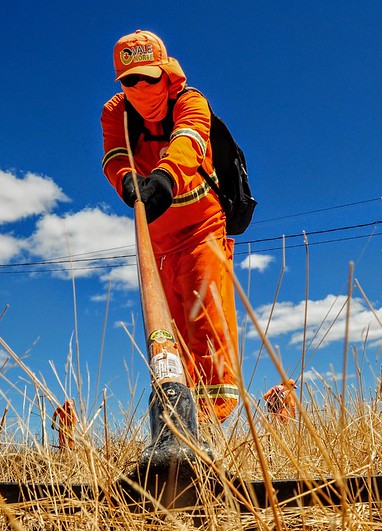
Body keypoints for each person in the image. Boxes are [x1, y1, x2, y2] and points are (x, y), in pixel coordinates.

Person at [100, 30, 240, 424]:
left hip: (202, 229)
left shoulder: (191, 101)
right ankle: (177, 425)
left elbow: (189, 140)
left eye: (149, 77)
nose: (140, 87)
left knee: (207, 326)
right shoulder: (116, 113)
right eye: (130, 80)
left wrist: (163, 178)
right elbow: (113, 156)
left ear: (165, 71)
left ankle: (210, 426)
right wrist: (126, 179)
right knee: (168, 339)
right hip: (156, 244)